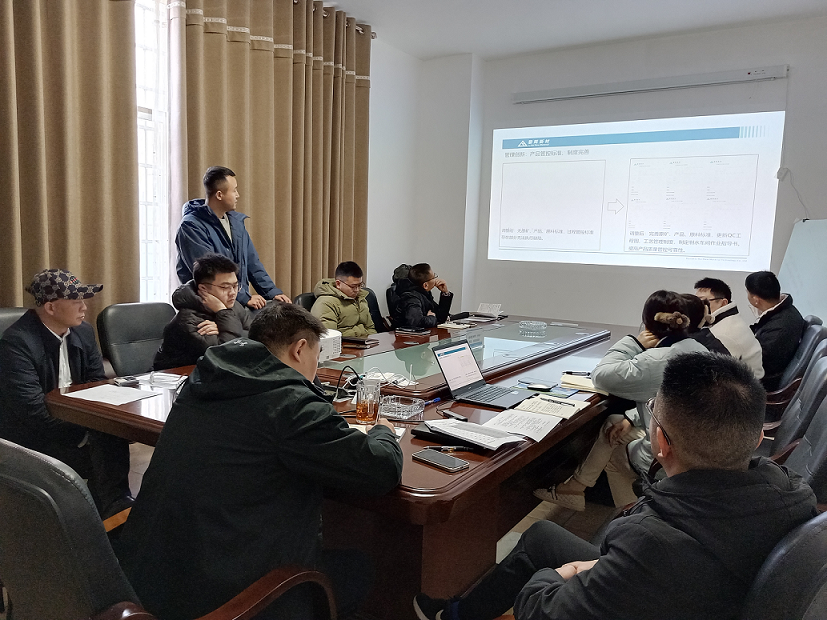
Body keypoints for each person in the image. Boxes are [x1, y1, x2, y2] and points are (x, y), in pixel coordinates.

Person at [414, 353, 817, 620]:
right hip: (698, 589)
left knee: (544, 565)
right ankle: (457, 613)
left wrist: (568, 571)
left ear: (660, 443)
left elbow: (541, 610)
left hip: (662, 591)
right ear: (754, 436)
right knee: (540, 536)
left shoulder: (651, 541)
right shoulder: (792, 492)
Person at [118, 303, 403, 620]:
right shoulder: (290, 403)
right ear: (299, 349)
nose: (316, 368)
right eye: (317, 357)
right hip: (221, 598)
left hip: (152, 575)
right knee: (359, 568)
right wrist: (383, 431)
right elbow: (381, 469)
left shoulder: (206, 378)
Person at [534, 290, 707, 510]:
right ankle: (575, 490)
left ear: (647, 324)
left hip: (672, 458)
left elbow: (602, 375)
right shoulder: (698, 348)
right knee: (615, 422)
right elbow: (669, 402)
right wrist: (632, 417)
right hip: (698, 448)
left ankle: (628, 512)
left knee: (613, 443)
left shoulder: (657, 359)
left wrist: (634, 343)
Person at [0, 269, 133, 519]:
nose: (84, 307)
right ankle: (105, 513)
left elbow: (96, 384)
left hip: (74, 420)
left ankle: (114, 508)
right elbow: (32, 411)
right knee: (103, 441)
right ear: (51, 307)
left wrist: (94, 422)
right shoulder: (17, 342)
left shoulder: (83, 331)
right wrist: (86, 428)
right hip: (31, 434)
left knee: (113, 432)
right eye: (76, 301)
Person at [175, 166, 292, 309]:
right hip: (207, 308)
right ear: (219, 195)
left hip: (235, 304)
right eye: (234, 190)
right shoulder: (191, 226)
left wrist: (271, 292)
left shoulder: (236, 224)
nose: (238, 195)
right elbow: (209, 273)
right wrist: (244, 297)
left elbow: (253, 263)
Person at [154, 253, 252, 370]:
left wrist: (223, 327)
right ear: (203, 289)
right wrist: (223, 313)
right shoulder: (188, 320)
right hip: (178, 376)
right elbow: (226, 355)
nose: (232, 293)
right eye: (225, 287)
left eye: (235, 286)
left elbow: (258, 338)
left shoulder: (233, 306)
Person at [745, 270, 806, 391]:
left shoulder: (779, 328)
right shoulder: (785, 310)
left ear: (756, 299)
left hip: (763, 383)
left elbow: (759, 363)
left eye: (748, 292)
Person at [694, 277, 764, 380]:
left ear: (723, 303)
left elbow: (714, 373)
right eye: (696, 301)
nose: (698, 306)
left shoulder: (723, 333)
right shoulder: (730, 320)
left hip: (744, 386)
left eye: (703, 301)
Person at [310, 261, 376, 337]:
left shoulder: (360, 298)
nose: (357, 290)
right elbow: (328, 336)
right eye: (353, 286)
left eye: (360, 285)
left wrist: (374, 340)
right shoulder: (326, 303)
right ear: (338, 284)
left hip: (366, 342)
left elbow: (370, 328)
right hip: (344, 343)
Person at [392, 263, 453, 328]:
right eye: (433, 277)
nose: (436, 280)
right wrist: (431, 317)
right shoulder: (410, 297)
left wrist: (445, 293)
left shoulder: (423, 293)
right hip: (405, 334)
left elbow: (440, 317)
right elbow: (416, 323)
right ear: (425, 285)